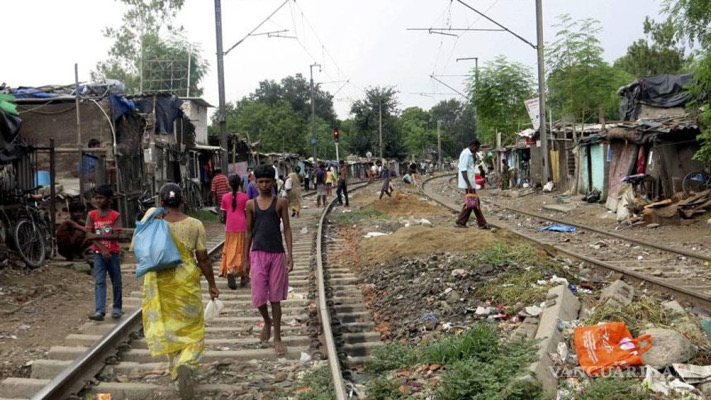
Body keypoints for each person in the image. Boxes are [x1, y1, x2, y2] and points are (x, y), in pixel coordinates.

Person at [139, 183, 219, 400]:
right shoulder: (195, 224)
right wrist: (212, 283)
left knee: (168, 325)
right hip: (186, 281)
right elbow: (203, 258)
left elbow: (141, 249)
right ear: (183, 200)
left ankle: (175, 367)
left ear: (161, 202)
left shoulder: (153, 222)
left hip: (160, 281)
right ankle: (186, 362)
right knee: (193, 328)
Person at [243, 164, 293, 356]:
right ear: (255, 183)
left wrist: (290, 254)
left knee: (275, 298)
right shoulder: (250, 205)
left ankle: (277, 337)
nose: (264, 185)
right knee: (258, 296)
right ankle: (267, 321)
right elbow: (248, 232)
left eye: (267, 181)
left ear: (273, 182)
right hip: (257, 253)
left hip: (277, 253)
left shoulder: (280, 203)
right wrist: (245, 258)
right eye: (261, 181)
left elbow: (287, 228)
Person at [85, 185, 123, 321]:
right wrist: (102, 248)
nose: (98, 201)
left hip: (113, 253)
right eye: (96, 198)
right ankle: (100, 310)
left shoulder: (115, 215)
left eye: (101, 198)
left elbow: (117, 235)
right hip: (98, 253)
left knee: (116, 281)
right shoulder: (92, 215)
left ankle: (117, 308)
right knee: (100, 281)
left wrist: (96, 236)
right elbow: (89, 235)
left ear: (109, 199)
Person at [220, 175, 248, 289]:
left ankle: (230, 269)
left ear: (229, 185)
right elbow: (247, 213)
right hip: (242, 226)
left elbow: (223, 215)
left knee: (230, 249)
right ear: (240, 183)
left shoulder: (225, 197)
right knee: (242, 250)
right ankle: (243, 275)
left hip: (230, 227)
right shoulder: (245, 197)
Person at [455, 139, 489, 229]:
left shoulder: (470, 153)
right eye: (477, 148)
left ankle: (461, 222)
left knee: (472, 202)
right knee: (473, 202)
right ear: (473, 146)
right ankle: (481, 223)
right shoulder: (466, 154)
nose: (477, 150)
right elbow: (463, 169)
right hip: (468, 183)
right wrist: (468, 184)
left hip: (470, 182)